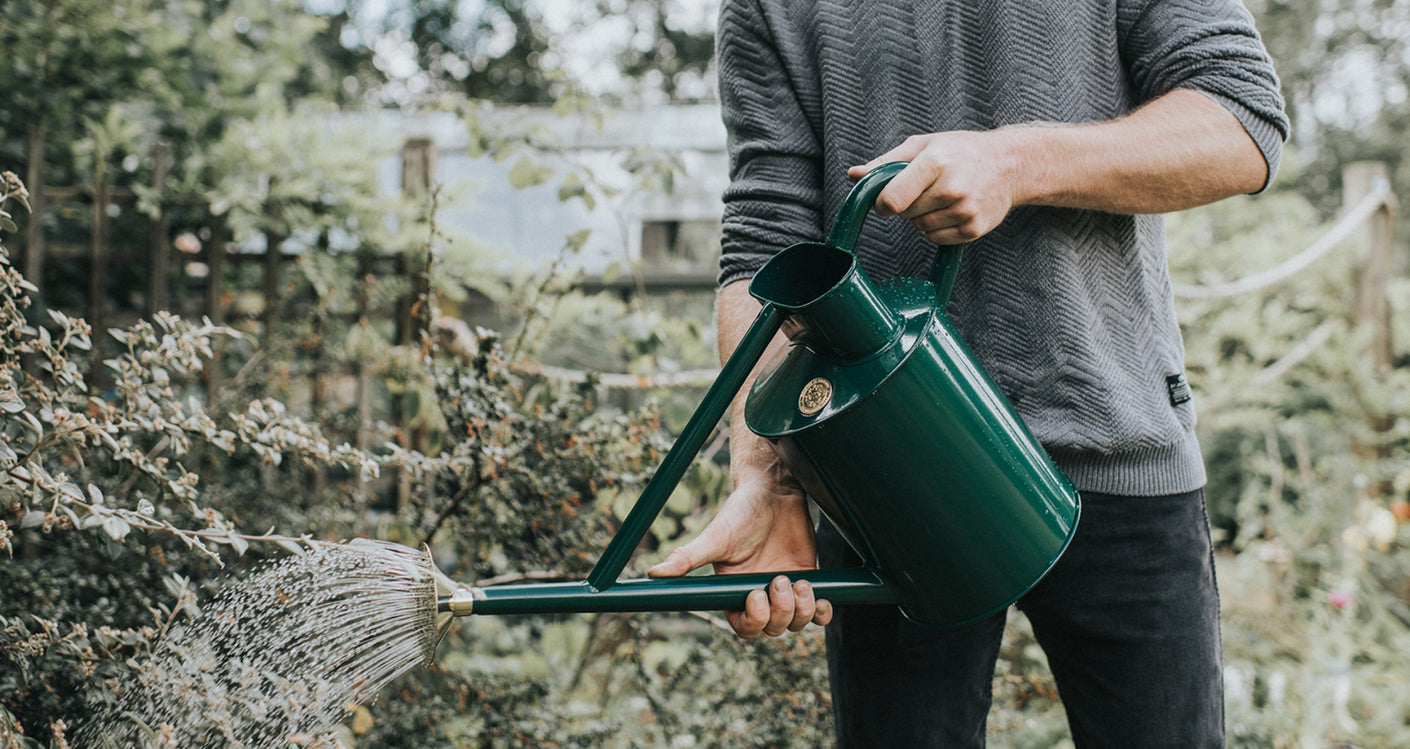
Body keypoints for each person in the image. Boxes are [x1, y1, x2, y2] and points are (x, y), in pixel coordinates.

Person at [648, 0, 1289, 746]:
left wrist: (1014, 162)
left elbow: (1241, 122)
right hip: (885, 478)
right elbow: (768, 232)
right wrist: (769, 474)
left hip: (1122, 447)